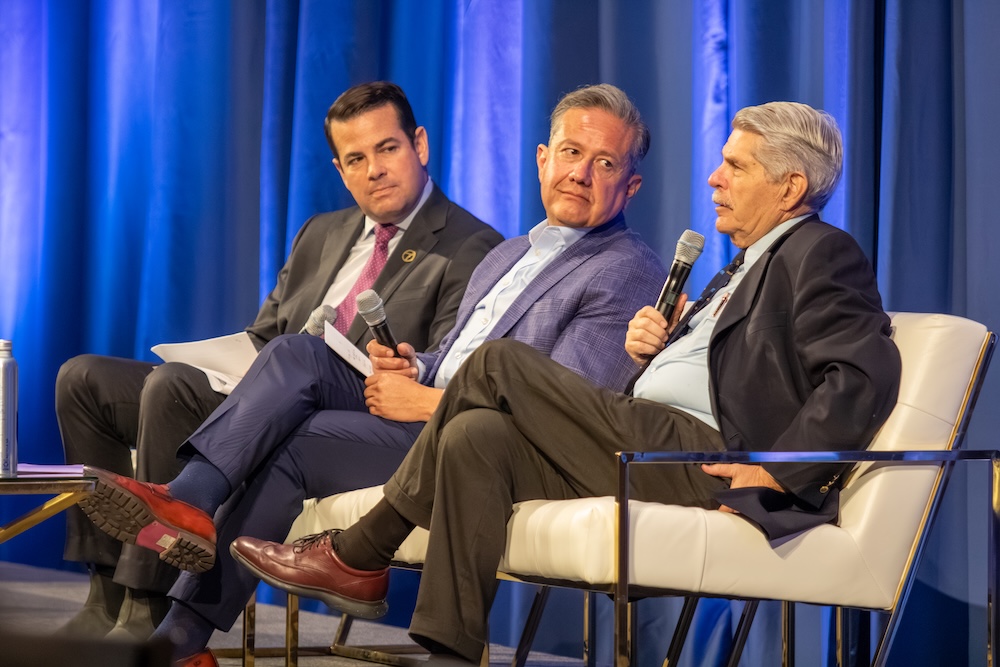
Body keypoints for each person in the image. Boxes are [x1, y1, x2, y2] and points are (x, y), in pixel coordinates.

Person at [231, 101, 903, 665]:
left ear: (789, 187)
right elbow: (732, 363)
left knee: (497, 363)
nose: (714, 177)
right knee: (475, 435)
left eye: (736, 165)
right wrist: (663, 349)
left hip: (700, 454)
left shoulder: (820, 250)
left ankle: (360, 550)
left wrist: (779, 470)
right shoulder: (742, 264)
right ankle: (450, 653)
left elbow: (862, 373)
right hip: (644, 440)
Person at [77, 84, 668, 666]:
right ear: (543, 158)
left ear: (631, 185)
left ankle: (180, 639)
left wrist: (426, 401)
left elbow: (560, 410)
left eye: (604, 163)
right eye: (570, 152)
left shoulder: (625, 269)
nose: (580, 174)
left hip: (472, 444)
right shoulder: (510, 254)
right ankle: (190, 500)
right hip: (427, 409)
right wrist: (414, 364)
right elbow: (450, 356)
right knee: (295, 352)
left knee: (297, 441)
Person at [56, 81, 503, 640]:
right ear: (340, 170)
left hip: (355, 413)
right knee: (84, 379)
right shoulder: (321, 232)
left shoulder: (471, 245)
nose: (374, 171)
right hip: (262, 397)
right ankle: (108, 594)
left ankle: (150, 599)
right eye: (356, 159)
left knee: (174, 386)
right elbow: (265, 336)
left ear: (420, 145)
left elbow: (440, 366)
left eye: (388, 149)